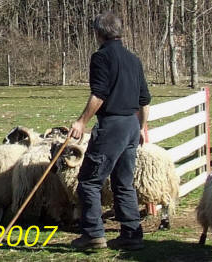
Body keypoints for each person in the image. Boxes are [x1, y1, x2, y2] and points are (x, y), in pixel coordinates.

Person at [69, 11, 151, 251]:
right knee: (124, 183)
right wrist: (141, 128)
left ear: (98, 32)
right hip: (131, 125)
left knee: (88, 181)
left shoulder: (101, 57)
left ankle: (93, 235)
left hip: (113, 125)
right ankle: (131, 234)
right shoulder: (133, 59)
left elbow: (99, 94)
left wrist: (82, 121)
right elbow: (144, 100)